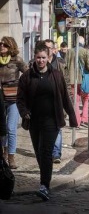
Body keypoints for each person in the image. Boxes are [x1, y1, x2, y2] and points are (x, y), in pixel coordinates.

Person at [16, 43, 77, 201]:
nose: (41, 60)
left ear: (48, 58)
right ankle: (45, 179)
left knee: (46, 152)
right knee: (38, 152)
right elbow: (20, 99)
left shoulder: (56, 75)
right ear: (34, 58)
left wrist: (72, 115)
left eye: (43, 57)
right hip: (34, 121)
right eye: (38, 58)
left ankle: (44, 185)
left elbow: (65, 97)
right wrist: (24, 112)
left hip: (52, 119)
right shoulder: (27, 76)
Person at [0, 36, 28, 169]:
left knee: (11, 129)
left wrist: (22, 89)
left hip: (13, 99)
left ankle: (11, 156)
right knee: (2, 129)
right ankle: (3, 154)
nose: (2, 47)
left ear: (11, 46)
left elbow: (27, 75)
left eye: (5, 45)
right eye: (1, 44)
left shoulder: (17, 60)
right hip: (0, 99)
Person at [44, 40, 67, 164]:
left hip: (57, 100)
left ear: (54, 50)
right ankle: (46, 151)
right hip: (43, 102)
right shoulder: (38, 63)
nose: (47, 50)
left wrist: (66, 100)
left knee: (58, 127)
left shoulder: (61, 63)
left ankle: (56, 153)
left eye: (49, 48)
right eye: (45, 47)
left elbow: (66, 82)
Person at [65, 36, 89, 128]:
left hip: (72, 80)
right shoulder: (86, 52)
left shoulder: (69, 51)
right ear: (83, 42)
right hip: (83, 80)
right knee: (87, 98)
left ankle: (76, 121)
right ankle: (84, 119)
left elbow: (66, 65)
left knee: (75, 101)